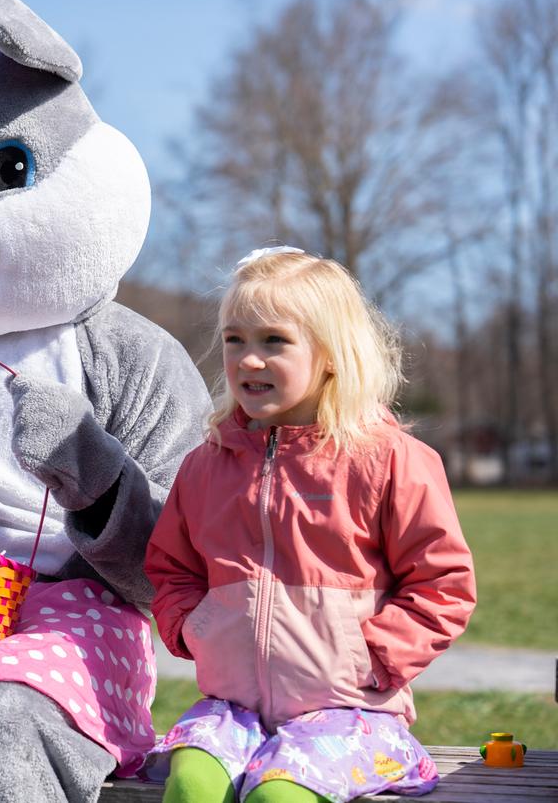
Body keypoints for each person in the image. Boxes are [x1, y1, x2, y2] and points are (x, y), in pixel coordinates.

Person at [144, 247, 476, 803]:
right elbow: (171, 566)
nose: (249, 359)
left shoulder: (390, 459)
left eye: (274, 341)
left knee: (280, 797)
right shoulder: (207, 464)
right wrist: (192, 628)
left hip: (349, 712)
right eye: (235, 340)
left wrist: (372, 655)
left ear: (329, 353)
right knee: (193, 783)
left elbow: (443, 586)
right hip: (234, 709)